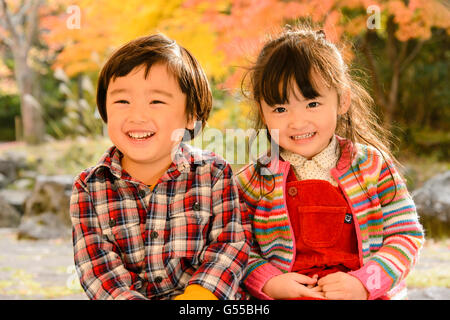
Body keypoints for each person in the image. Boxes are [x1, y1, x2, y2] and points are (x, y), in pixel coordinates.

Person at [235, 26, 424, 300]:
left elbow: (405, 234)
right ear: (262, 112)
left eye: (312, 104)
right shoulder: (253, 181)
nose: (297, 122)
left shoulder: (372, 166)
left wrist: (364, 283)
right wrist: (270, 282)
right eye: (280, 108)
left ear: (342, 99)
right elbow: (236, 247)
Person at [69, 33, 250, 300]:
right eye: (122, 101)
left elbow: (231, 244)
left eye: (156, 102)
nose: (137, 116)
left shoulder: (213, 174)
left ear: (191, 115)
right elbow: (99, 273)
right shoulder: (90, 187)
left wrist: (197, 298)